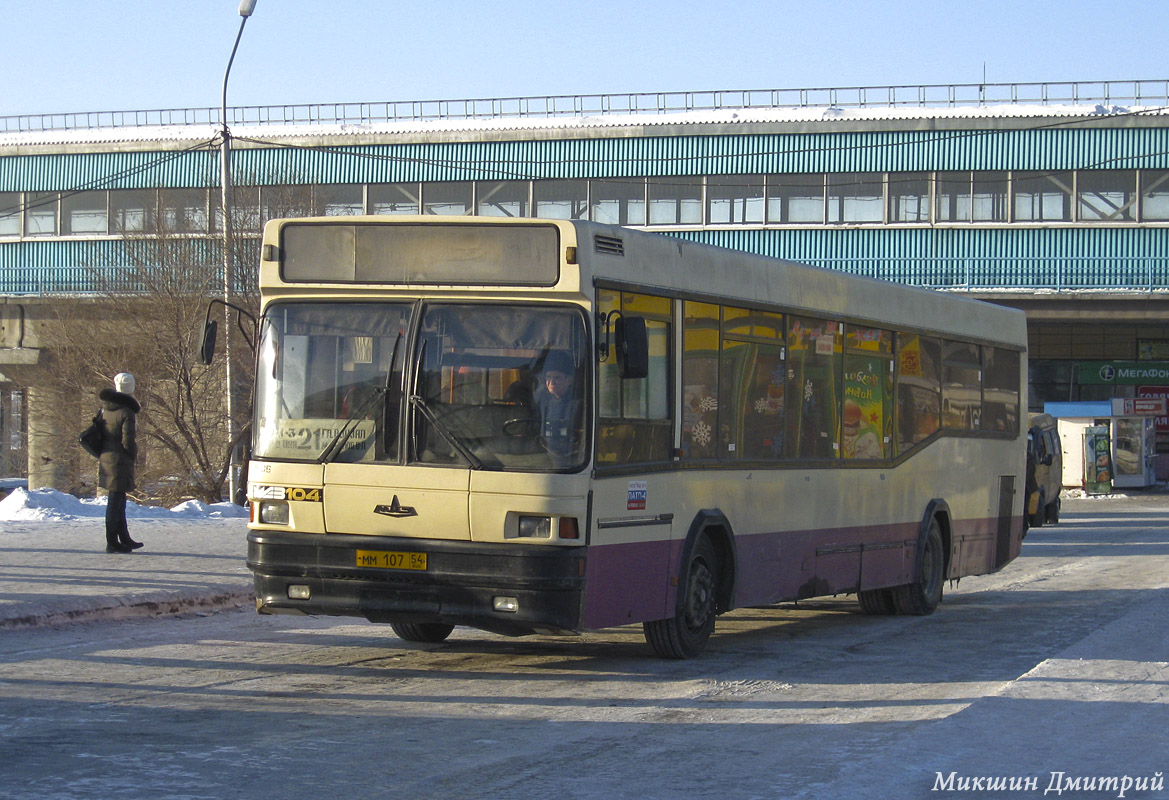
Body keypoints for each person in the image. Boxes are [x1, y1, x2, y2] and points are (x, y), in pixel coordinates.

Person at [99, 372, 142, 553]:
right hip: (119, 460)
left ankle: (123, 537)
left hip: (107, 457)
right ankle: (112, 541)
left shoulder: (106, 408)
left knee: (118, 499)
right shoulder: (127, 411)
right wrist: (132, 455)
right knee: (115, 501)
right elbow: (128, 440)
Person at [534, 351, 581, 464]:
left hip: (570, 454)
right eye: (548, 377)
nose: (551, 382)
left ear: (568, 380)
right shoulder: (543, 400)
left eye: (557, 378)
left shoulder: (578, 402)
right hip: (545, 450)